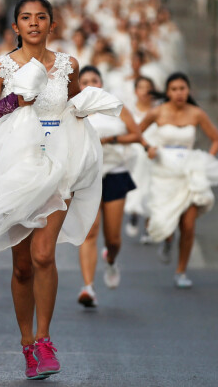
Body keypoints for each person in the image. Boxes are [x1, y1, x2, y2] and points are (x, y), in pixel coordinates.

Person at [0, 0, 122, 380]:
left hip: (57, 169)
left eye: (40, 17)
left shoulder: (67, 65)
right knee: (23, 265)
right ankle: (27, 343)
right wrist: (12, 102)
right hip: (15, 171)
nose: (33, 23)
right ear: (15, 27)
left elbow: (75, 105)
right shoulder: (2, 68)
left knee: (45, 255)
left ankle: (45, 340)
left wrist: (90, 108)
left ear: (51, 24)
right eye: (25, 18)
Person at [139, 73, 218, 288]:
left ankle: (181, 271)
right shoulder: (157, 112)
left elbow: (216, 138)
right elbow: (135, 131)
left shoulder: (196, 113)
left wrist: (206, 160)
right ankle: (167, 239)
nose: (179, 93)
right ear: (168, 92)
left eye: (182, 88)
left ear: (188, 90)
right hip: (163, 172)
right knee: (162, 222)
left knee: (188, 225)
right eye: (174, 89)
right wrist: (148, 147)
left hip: (189, 172)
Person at [77, 66, 140, 308]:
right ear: (79, 86)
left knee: (113, 238)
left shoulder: (115, 106)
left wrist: (111, 139)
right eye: (85, 81)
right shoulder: (73, 108)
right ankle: (88, 288)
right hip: (86, 176)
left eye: (95, 80)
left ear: (102, 83)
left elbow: (136, 134)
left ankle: (111, 259)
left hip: (115, 173)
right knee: (89, 232)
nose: (90, 84)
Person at [124, 76, 159, 242]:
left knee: (152, 191)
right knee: (135, 188)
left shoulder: (159, 110)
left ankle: (148, 226)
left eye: (148, 87)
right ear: (135, 91)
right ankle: (134, 213)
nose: (145, 91)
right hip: (134, 157)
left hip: (153, 155)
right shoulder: (128, 111)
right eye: (141, 87)